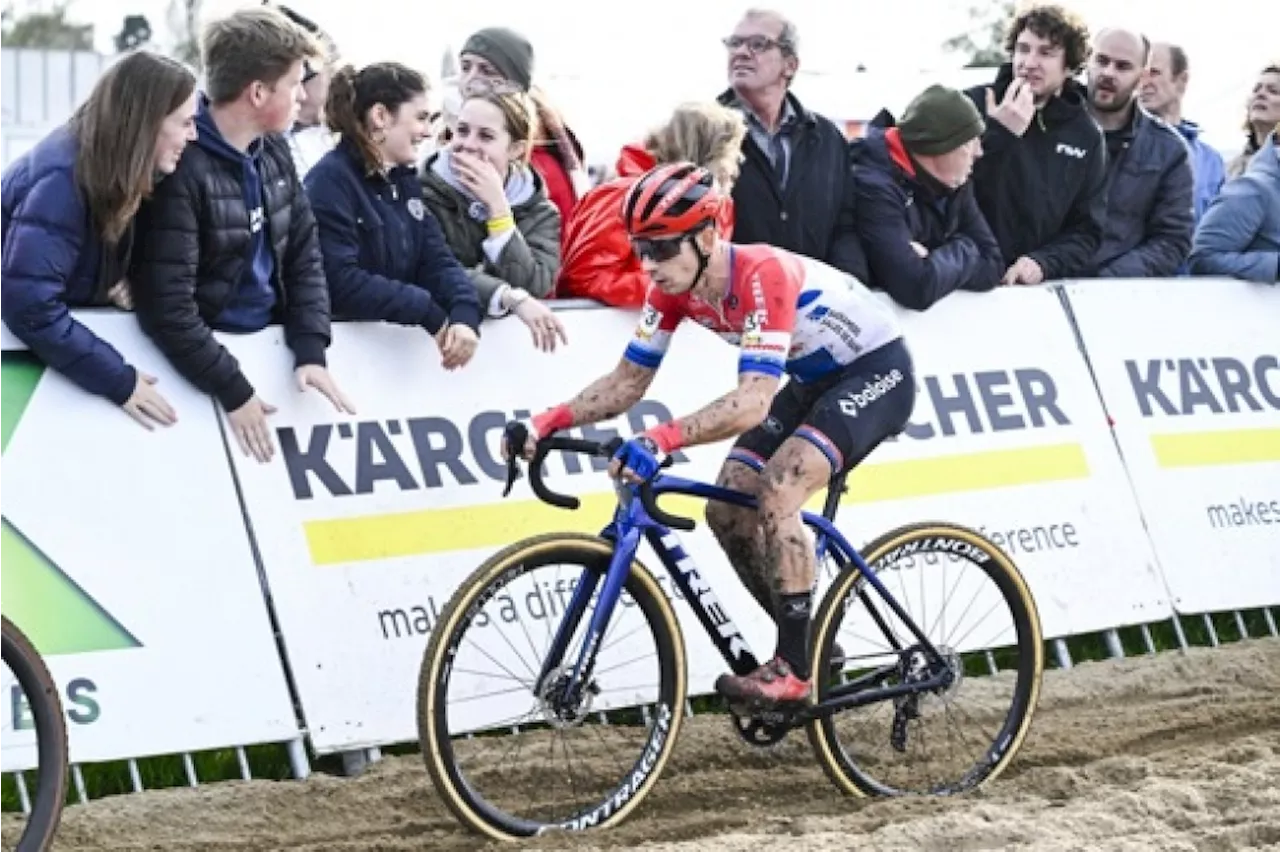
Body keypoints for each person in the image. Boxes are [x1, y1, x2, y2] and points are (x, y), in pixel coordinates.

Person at [505, 163, 916, 707]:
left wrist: (662, 439)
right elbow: (627, 381)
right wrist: (547, 421)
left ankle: (795, 670)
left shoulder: (761, 273)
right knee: (726, 507)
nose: (649, 265)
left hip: (875, 372)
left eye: (661, 248)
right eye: (640, 250)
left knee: (778, 487)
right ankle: (810, 646)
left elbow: (752, 401)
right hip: (812, 378)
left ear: (705, 235)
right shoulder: (672, 289)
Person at [129, 6, 353, 464]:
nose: (302, 98)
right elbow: (167, 307)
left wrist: (310, 348)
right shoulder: (181, 169)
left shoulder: (274, 150)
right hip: (199, 383)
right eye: (294, 84)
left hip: (266, 355)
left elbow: (304, 252)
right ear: (257, 93)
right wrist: (233, 390)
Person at [0, 50, 198, 430]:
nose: (194, 135)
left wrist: (120, 285)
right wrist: (118, 379)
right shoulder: (62, 180)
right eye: (186, 122)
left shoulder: (109, 169)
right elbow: (29, 303)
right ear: (148, 123)